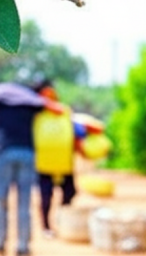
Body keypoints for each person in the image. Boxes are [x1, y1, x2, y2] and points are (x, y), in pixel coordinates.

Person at [0, 83, 63, 256]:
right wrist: (46, 98)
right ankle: (23, 246)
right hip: (27, 153)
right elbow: (58, 110)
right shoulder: (31, 101)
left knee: (0, 199)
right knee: (24, 202)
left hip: (2, 152)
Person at [31, 79, 83, 239]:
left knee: (70, 192)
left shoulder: (65, 110)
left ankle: (62, 219)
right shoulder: (35, 112)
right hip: (44, 162)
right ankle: (46, 226)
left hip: (64, 162)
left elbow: (75, 130)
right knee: (46, 196)